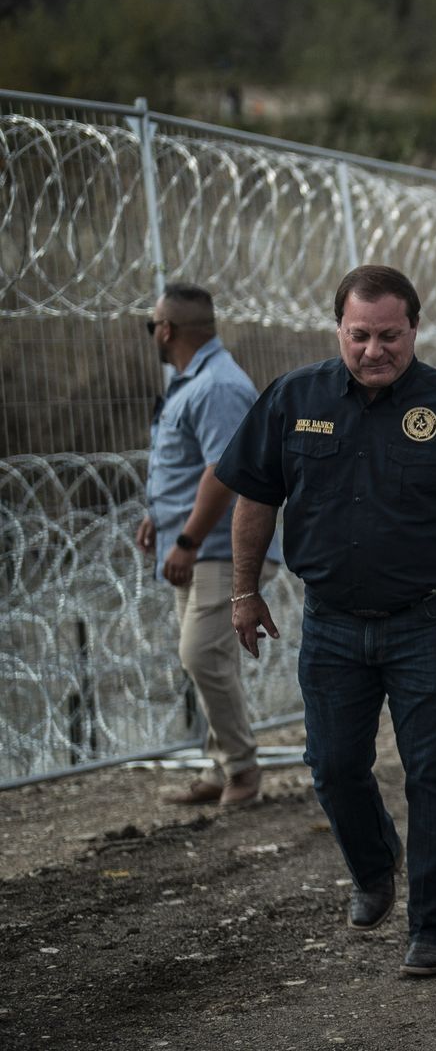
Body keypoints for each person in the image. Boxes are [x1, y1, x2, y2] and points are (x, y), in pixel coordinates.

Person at [217, 264, 436, 979]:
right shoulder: (293, 400)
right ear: (339, 329)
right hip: (330, 624)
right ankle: (374, 866)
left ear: (413, 331)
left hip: (429, 622)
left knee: (432, 772)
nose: (373, 350)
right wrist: (245, 591)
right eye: (359, 335)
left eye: (389, 335)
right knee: (331, 767)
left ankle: (435, 926)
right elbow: (255, 498)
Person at [140, 283, 282, 809]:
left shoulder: (218, 385)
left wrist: (188, 537)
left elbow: (222, 472)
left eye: (152, 323)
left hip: (219, 546)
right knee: (208, 659)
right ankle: (224, 768)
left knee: (201, 655)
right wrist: (159, 518)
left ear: (168, 329)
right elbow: (184, 468)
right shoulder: (189, 382)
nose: (152, 332)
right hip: (193, 545)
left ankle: (242, 771)